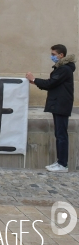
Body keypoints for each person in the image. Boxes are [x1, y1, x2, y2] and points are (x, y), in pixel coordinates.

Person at [26, 44, 75, 173]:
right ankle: (60, 162)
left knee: (61, 134)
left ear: (61, 55)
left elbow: (51, 83)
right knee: (59, 134)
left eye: (53, 54)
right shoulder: (62, 68)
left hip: (61, 104)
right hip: (58, 104)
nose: (52, 56)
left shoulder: (64, 69)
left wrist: (34, 79)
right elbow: (51, 84)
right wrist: (36, 82)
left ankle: (62, 164)